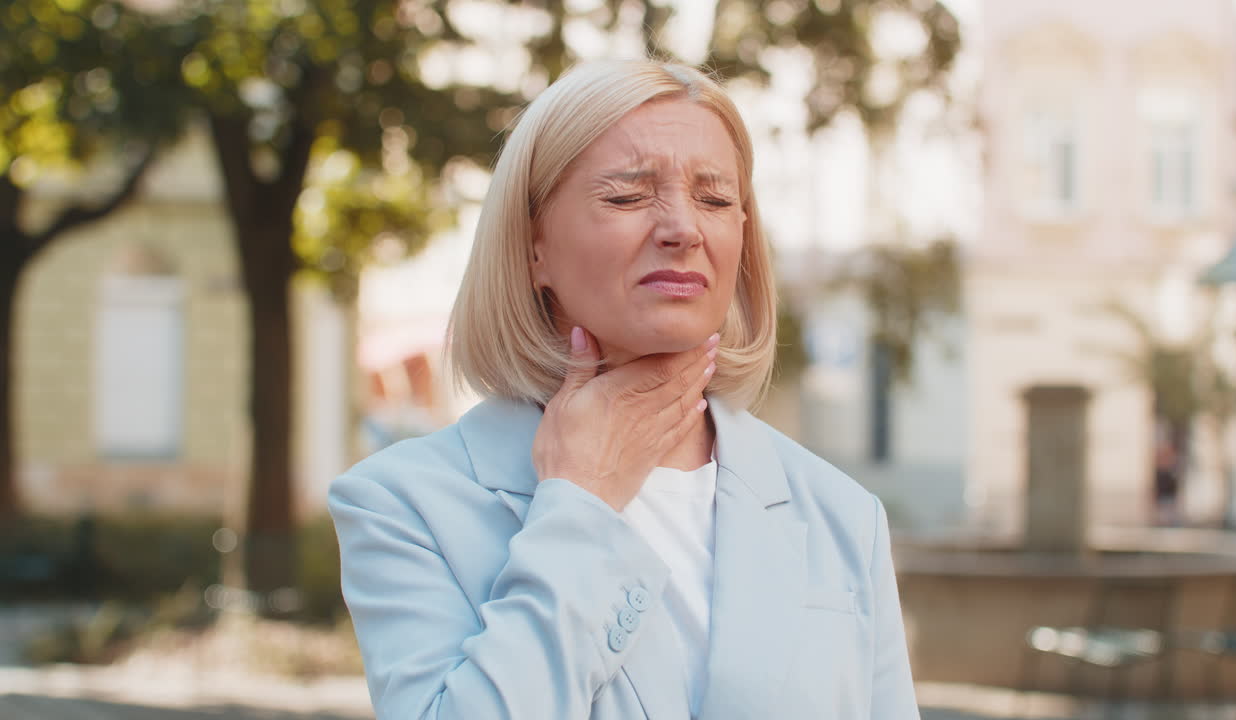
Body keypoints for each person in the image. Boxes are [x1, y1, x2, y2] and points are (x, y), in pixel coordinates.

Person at [328, 59, 919, 720]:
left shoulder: (843, 517)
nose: (682, 228)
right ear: (534, 247)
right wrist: (580, 503)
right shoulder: (403, 505)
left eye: (716, 199)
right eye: (627, 196)